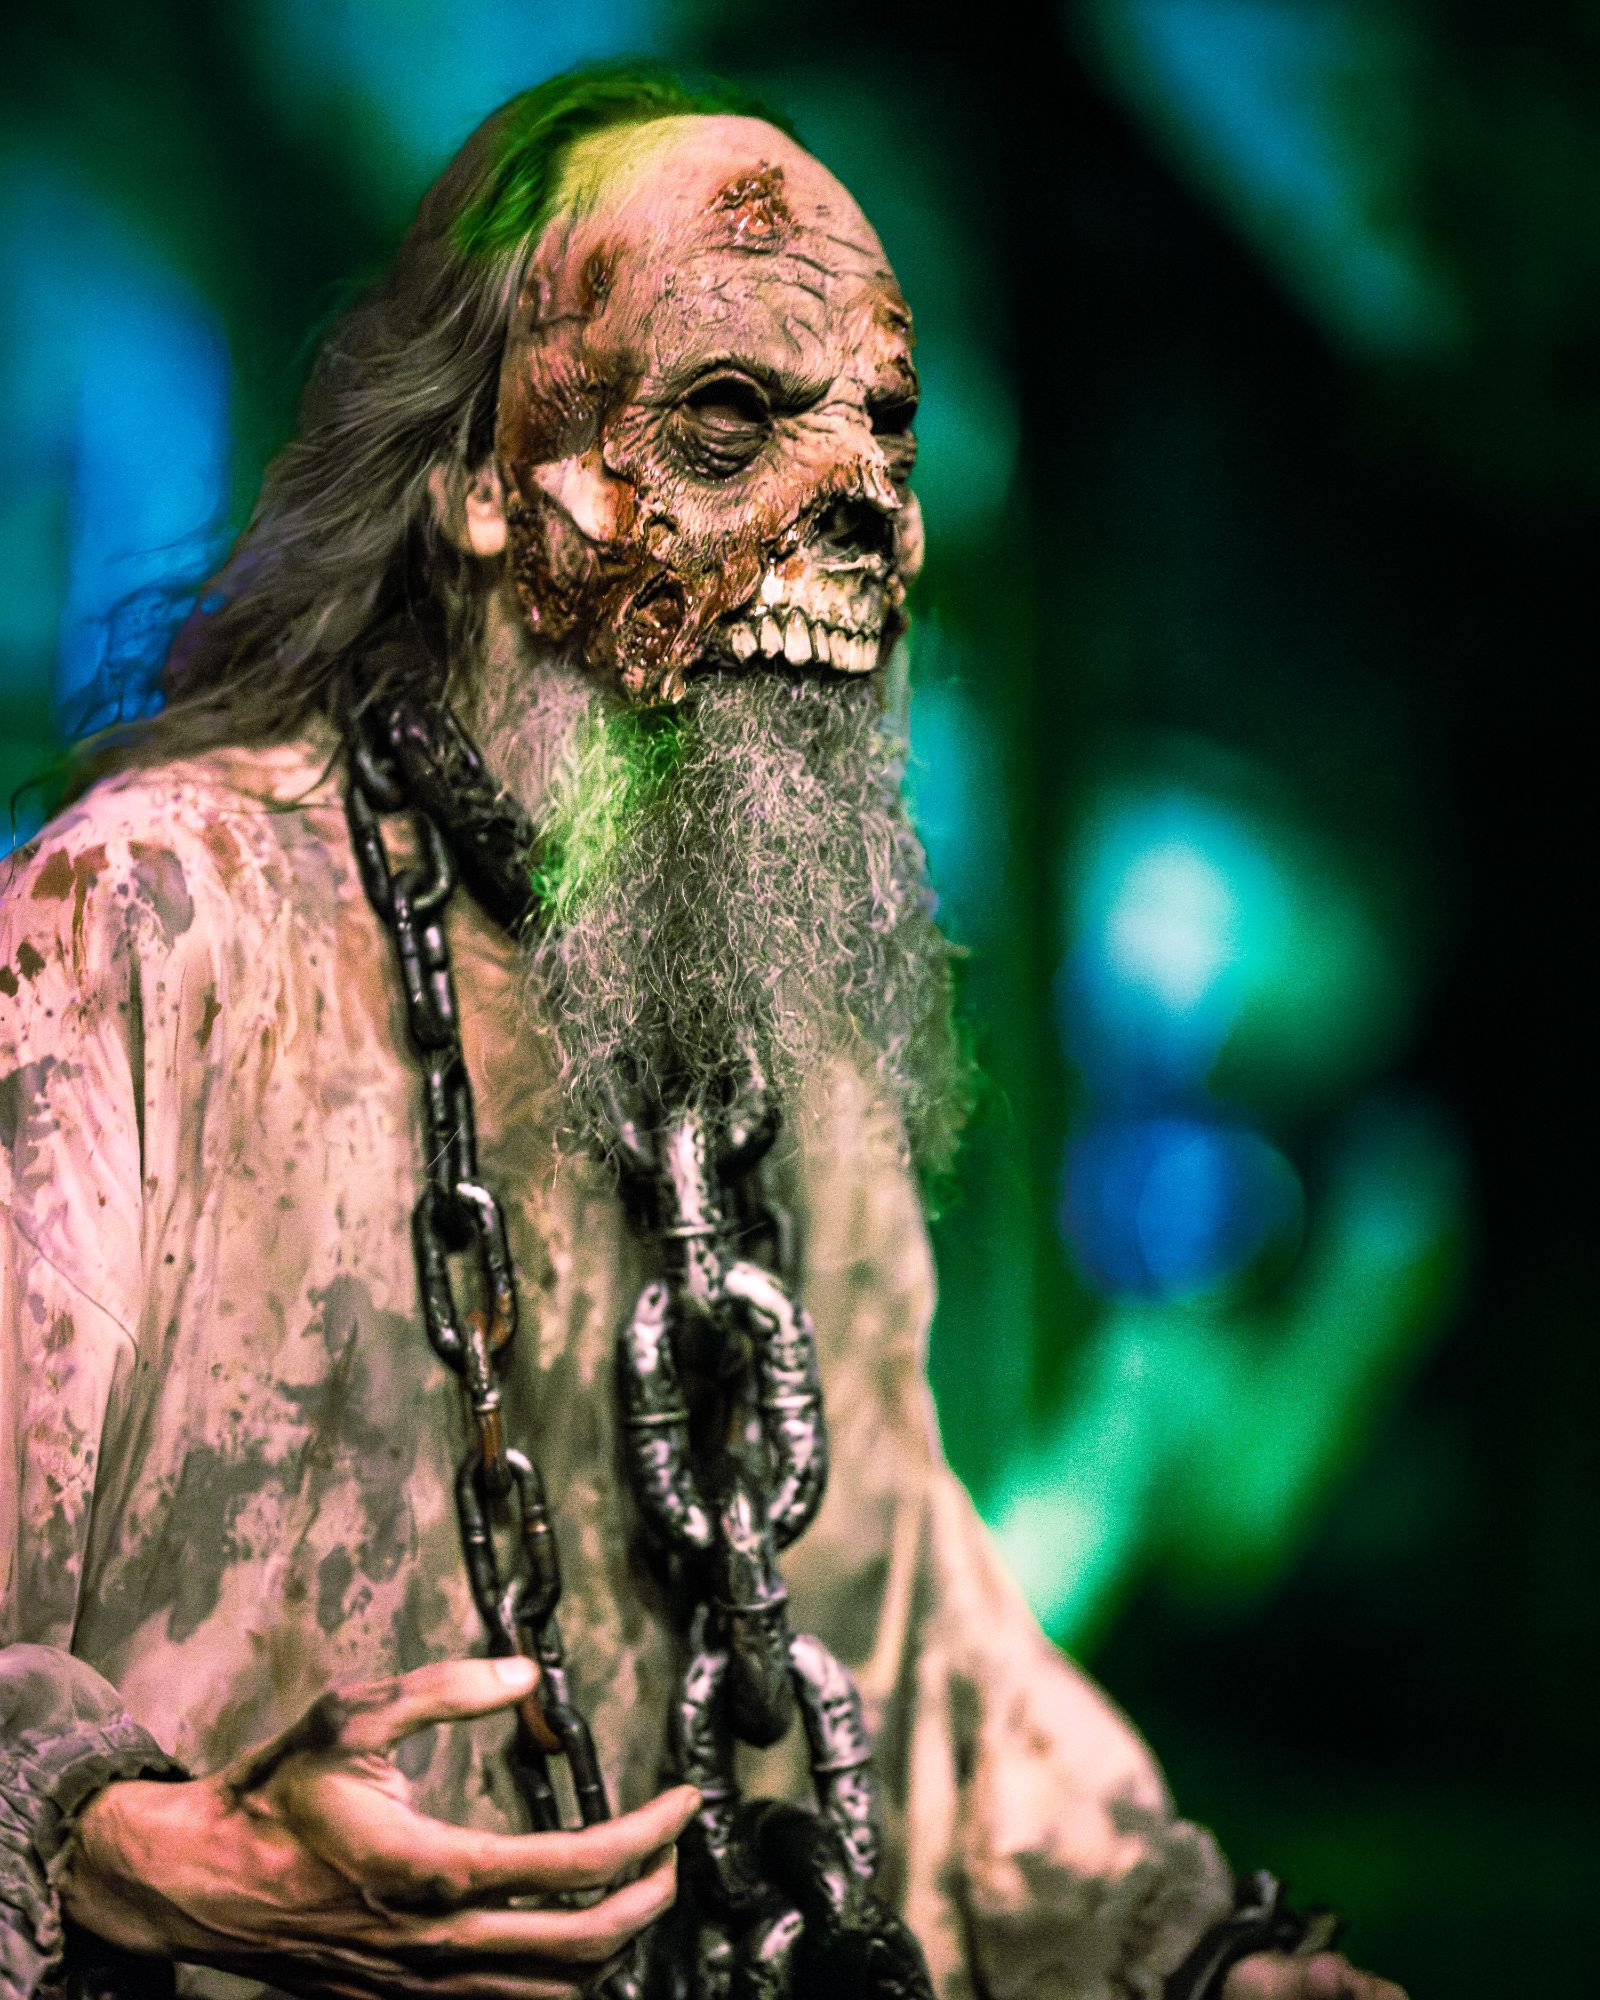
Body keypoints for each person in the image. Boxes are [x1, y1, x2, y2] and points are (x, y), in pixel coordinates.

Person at [1, 66, 1405, 2000]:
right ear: (486, 481)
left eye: (884, 427)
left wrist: (1203, 1958)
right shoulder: (154, 923)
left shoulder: (778, 1032)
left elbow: (913, 1657)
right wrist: (119, 1834)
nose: (857, 506)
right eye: (734, 414)